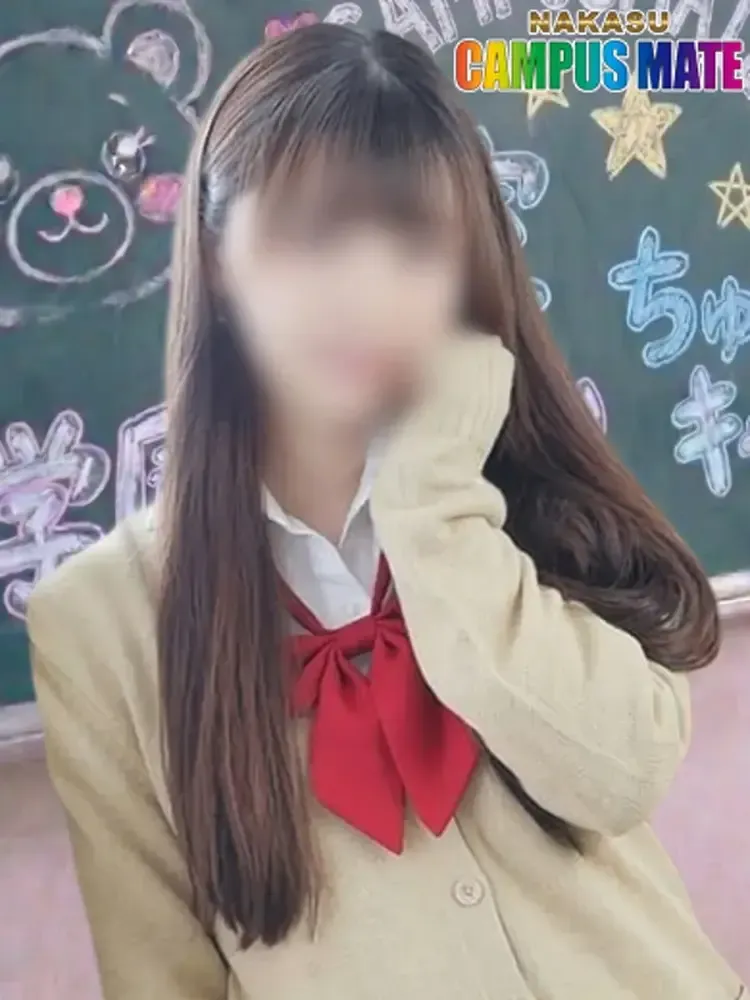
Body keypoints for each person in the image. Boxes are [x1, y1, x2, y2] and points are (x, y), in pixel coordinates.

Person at [27, 23, 743, 1000]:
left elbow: (620, 775)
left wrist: (433, 510)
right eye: (313, 238)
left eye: (412, 243)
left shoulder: (526, 486)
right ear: (221, 262)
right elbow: (162, 974)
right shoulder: (100, 621)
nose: (364, 293)